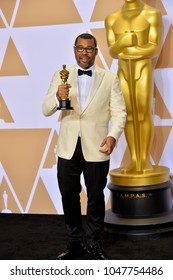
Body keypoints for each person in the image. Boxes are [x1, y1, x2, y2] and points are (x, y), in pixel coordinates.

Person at [42, 33, 126, 260]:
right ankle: (75, 242)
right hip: (68, 146)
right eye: (80, 48)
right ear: (74, 50)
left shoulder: (109, 78)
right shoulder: (62, 76)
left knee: (96, 196)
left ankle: (95, 244)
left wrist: (113, 136)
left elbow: (119, 112)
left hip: (97, 145)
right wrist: (58, 97)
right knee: (68, 194)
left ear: (96, 52)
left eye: (89, 49)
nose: (85, 52)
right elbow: (46, 109)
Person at [105, 0, 162, 174]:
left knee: (143, 112)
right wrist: (124, 42)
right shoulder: (112, 18)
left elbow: (154, 48)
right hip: (123, 71)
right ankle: (134, 160)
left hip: (143, 69)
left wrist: (127, 50)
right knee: (128, 114)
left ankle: (144, 160)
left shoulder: (152, 14)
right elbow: (113, 51)